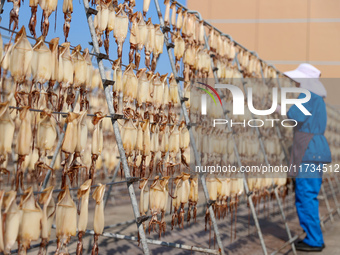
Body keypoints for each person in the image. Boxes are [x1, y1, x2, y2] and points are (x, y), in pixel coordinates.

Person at [284, 63, 331, 252]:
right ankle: (313, 236)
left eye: (297, 80)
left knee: (305, 196)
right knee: (308, 195)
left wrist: (279, 109)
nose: (295, 83)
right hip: (314, 150)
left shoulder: (308, 97)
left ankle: (314, 240)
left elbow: (293, 115)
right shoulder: (317, 99)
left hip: (308, 151)